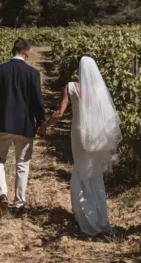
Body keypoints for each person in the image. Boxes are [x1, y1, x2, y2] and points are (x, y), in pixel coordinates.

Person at [38, 55, 122, 236]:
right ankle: (99, 217)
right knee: (94, 172)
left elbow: (59, 114)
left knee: (80, 170)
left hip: (78, 132)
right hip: (95, 133)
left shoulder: (71, 87)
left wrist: (45, 126)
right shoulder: (99, 89)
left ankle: (85, 217)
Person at [0, 38, 46, 218]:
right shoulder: (33, 73)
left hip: (3, 123)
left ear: (13, 51)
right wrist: (41, 123)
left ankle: (2, 194)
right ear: (26, 53)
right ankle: (19, 204)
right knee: (22, 164)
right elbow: (37, 102)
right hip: (25, 125)